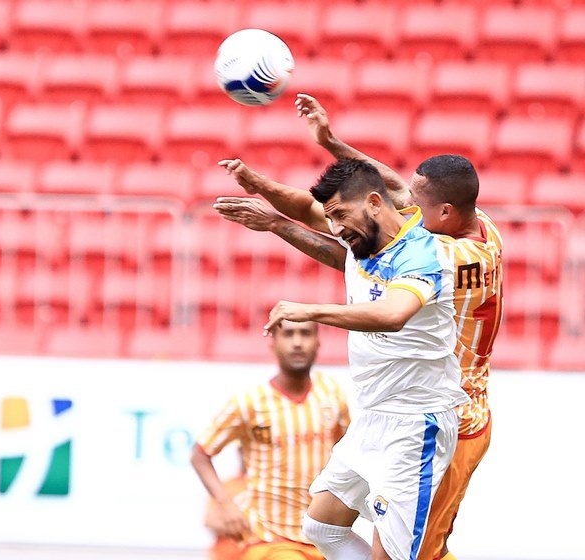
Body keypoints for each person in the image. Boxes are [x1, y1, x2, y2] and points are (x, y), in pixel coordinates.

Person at [215, 93, 503, 560]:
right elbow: (384, 188)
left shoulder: (443, 256)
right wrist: (331, 143)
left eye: (416, 202)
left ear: (445, 212)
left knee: (417, 552)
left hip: (449, 410)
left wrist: (301, 290)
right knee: (326, 527)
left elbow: (353, 256)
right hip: (385, 409)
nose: (405, 203)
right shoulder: (474, 224)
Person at [242, 158, 468, 560]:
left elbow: (393, 316)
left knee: (396, 555)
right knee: (322, 525)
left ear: (376, 202)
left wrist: (310, 311)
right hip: (371, 418)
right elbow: (304, 207)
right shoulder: (363, 238)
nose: (335, 228)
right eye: (331, 219)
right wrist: (257, 184)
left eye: (341, 216)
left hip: (415, 425)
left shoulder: (421, 253)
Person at [192, 319, 350, 560]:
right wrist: (226, 505)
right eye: (288, 335)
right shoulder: (250, 402)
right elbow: (200, 454)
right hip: (268, 539)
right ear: (273, 344)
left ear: (318, 342)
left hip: (321, 537)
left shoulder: (332, 395)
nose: (297, 343)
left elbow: (346, 452)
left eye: (305, 334)